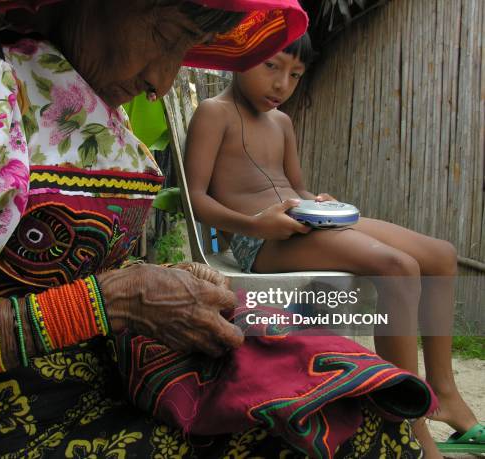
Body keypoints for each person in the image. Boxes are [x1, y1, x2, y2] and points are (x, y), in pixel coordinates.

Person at [0, 1, 431, 457]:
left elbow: (57, 269)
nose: (162, 82)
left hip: (91, 388)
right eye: (168, 35)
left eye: (185, 51)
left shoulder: (82, 93)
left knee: (364, 419)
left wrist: (154, 284)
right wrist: (103, 304)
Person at [185, 32, 482, 457]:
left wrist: (315, 202)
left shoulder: (282, 123)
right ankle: (405, 423)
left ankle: (444, 391)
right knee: (397, 267)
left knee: (440, 255)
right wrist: (257, 224)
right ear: (241, 54)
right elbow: (197, 201)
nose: (282, 84)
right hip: (260, 241)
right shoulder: (214, 114)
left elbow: (295, 187)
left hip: (304, 221)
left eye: (295, 75)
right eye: (272, 66)